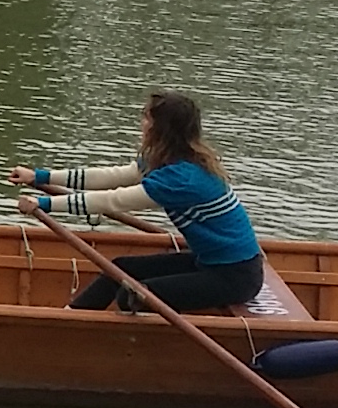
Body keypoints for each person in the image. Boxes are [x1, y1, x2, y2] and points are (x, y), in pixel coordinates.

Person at [14, 89, 266, 315]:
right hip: (210, 262)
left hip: (235, 276)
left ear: (161, 129)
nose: (141, 124)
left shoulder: (181, 178)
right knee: (120, 270)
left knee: (130, 296)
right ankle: (68, 318)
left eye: (146, 118)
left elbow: (113, 201)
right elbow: (112, 177)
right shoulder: (172, 159)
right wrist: (39, 176)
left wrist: (43, 205)